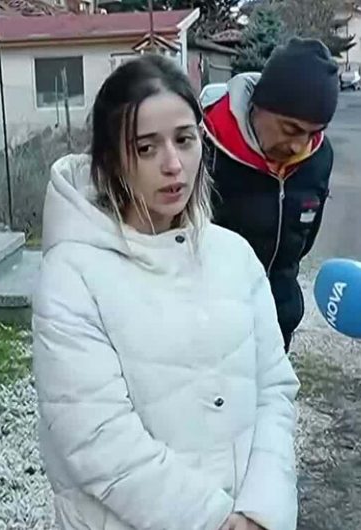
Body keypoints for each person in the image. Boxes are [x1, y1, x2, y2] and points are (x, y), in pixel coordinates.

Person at [32, 54, 300, 530]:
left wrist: (262, 509)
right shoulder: (72, 275)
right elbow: (97, 437)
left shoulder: (233, 255)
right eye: (146, 148)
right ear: (110, 158)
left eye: (184, 140)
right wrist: (215, 521)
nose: (173, 164)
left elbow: (275, 391)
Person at [203, 37, 339, 351]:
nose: (298, 145)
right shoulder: (204, 146)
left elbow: (302, 243)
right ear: (258, 106)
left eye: (313, 132)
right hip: (211, 332)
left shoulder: (319, 157)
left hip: (278, 327)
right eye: (290, 129)